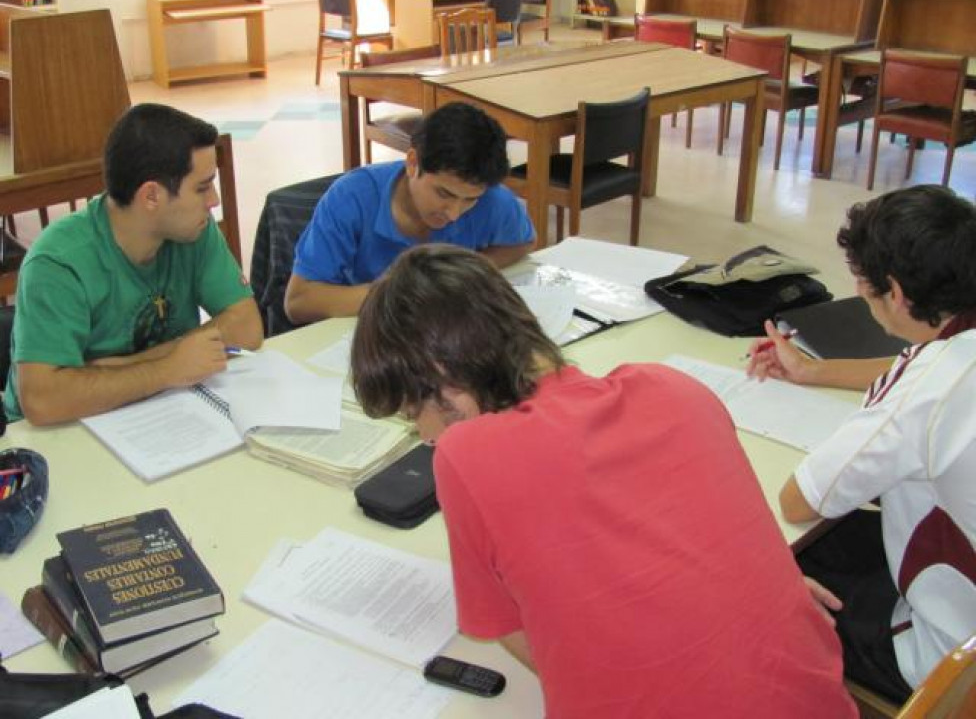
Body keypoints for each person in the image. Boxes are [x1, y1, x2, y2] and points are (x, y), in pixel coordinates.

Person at [350, 244, 856, 718]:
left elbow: (508, 629)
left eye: (414, 413)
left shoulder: (467, 454)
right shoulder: (674, 388)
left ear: (447, 379)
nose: (423, 435)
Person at [747, 185, 976, 703]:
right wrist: (815, 371)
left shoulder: (931, 385)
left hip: (945, 658)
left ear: (893, 292)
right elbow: (922, 368)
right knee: (839, 536)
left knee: (764, 575)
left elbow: (799, 498)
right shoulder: (956, 349)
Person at [5, 103, 263, 426]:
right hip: (56, 436)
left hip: (155, 412)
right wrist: (169, 368)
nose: (213, 200)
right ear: (151, 196)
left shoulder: (193, 229)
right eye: (201, 187)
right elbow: (42, 400)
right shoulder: (57, 262)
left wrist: (112, 369)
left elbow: (247, 326)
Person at [284, 102, 535, 322]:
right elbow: (298, 302)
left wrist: (465, 272)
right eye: (443, 194)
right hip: (365, 332)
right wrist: (407, 292)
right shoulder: (352, 198)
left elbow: (521, 243)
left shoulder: (491, 198)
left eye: (469, 200)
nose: (454, 213)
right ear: (413, 162)